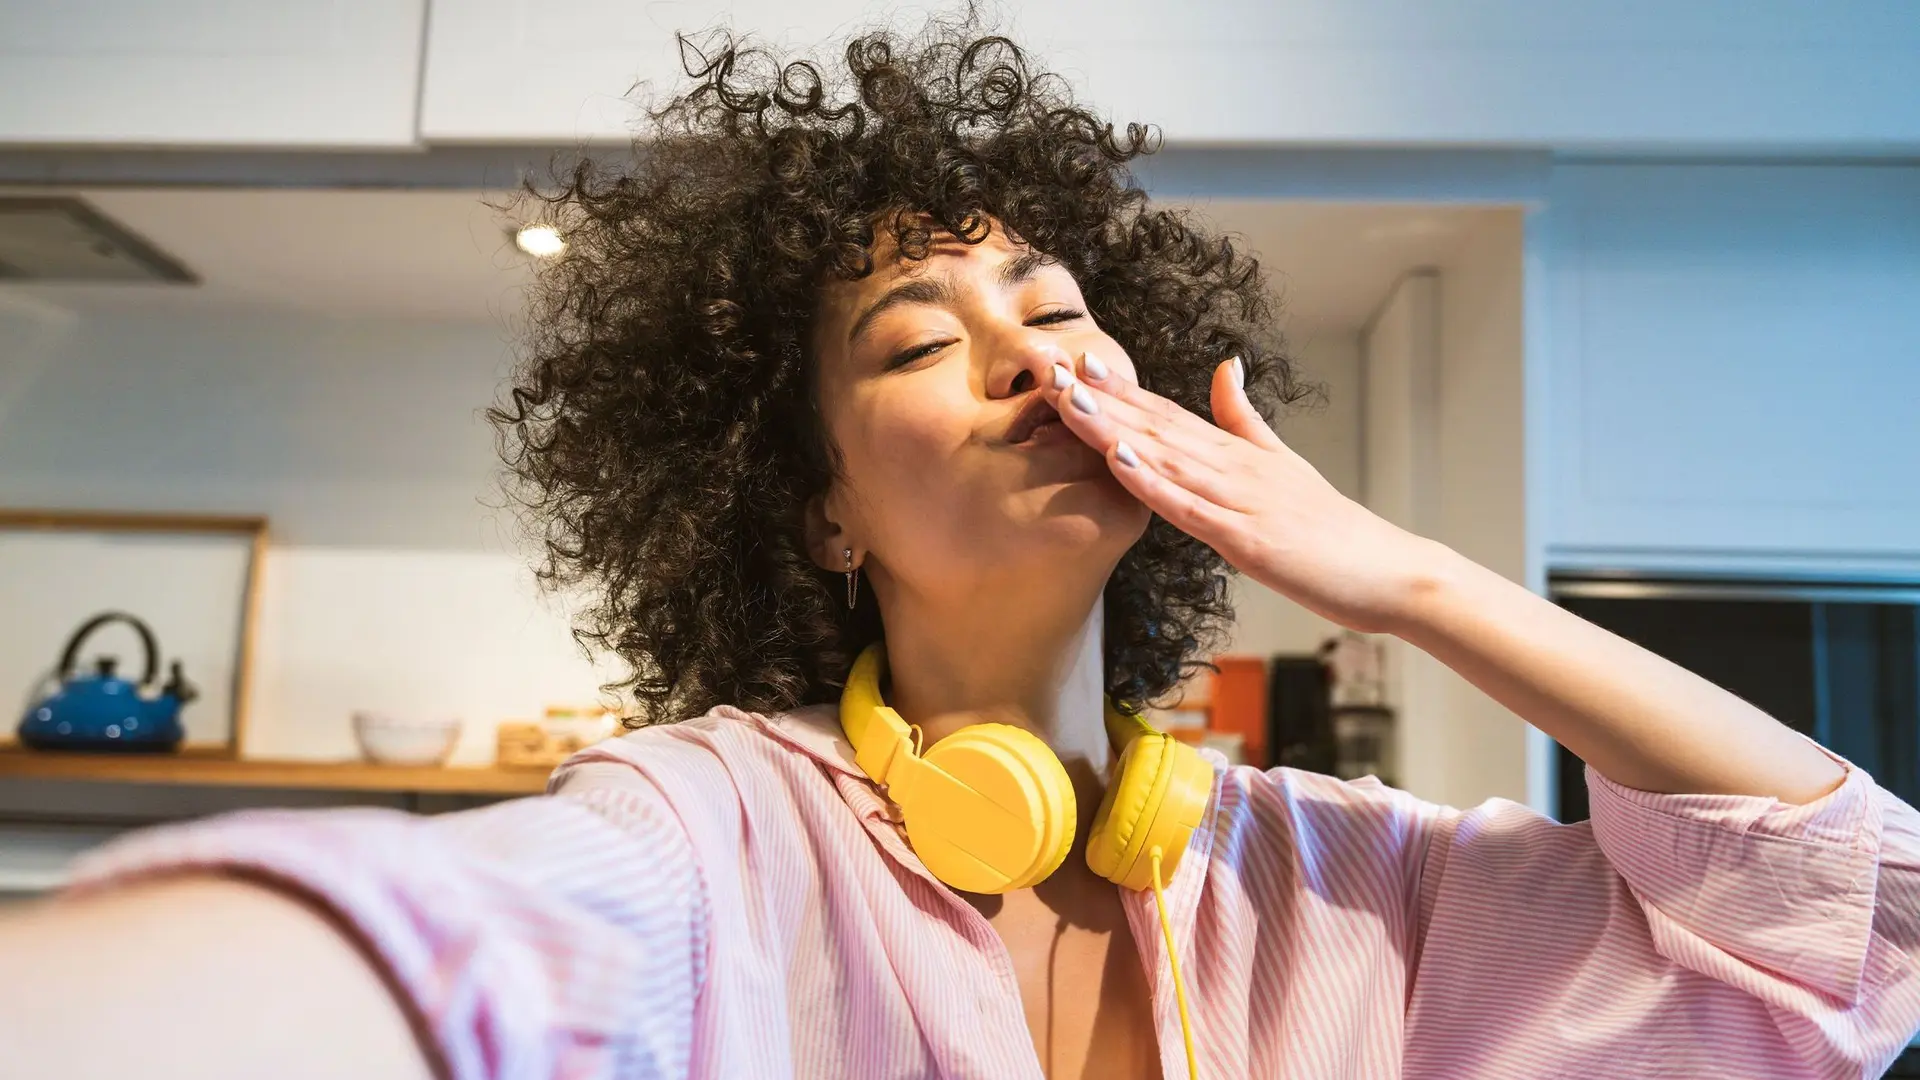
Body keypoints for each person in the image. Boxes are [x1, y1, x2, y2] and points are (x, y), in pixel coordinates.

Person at [3, 18, 1918, 1080]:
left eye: (1057, 304)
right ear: (821, 508)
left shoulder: (1341, 880)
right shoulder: (714, 830)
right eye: (919, 337)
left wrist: (1403, 575)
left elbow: (1849, 911)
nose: (1024, 351)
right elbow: (442, 959)